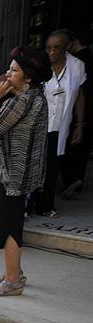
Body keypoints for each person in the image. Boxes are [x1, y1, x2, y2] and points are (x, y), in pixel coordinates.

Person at [0, 46, 50, 296]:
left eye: (14, 70)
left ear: (28, 76)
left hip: (10, 174)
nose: (8, 74)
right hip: (14, 173)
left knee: (7, 224)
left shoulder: (23, 102)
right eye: (9, 68)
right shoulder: (32, 98)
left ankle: (13, 282)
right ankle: (14, 272)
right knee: (11, 222)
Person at [34, 29, 87, 218]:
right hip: (38, 125)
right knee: (35, 165)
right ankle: (28, 206)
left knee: (52, 167)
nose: (52, 52)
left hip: (60, 125)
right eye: (48, 48)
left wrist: (80, 124)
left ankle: (46, 206)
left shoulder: (77, 66)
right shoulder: (39, 64)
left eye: (57, 48)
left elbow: (79, 95)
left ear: (66, 48)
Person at [61, 29, 93, 198]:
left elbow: (78, 91)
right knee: (81, 148)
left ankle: (72, 179)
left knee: (66, 146)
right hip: (85, 110)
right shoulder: (88, 58)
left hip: (76, 109)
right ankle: (75, 179)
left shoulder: (77, 62)